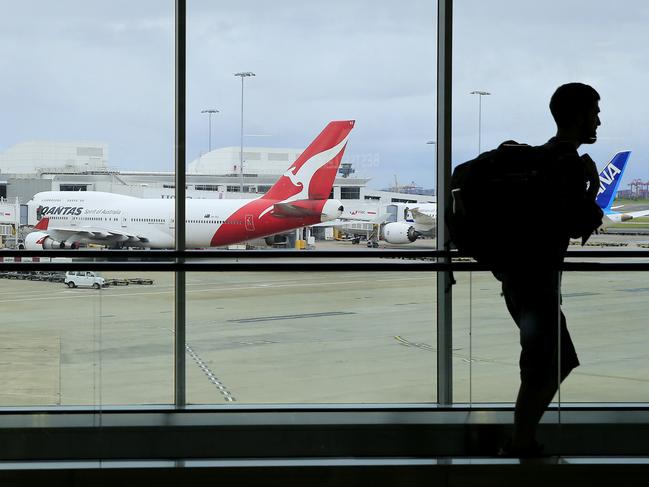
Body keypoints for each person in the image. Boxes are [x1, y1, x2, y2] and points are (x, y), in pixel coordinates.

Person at [498, 83, 603, 456]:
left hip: (519, 279)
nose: (599, 121)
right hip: (535, 283)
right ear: (578, 116)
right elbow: (578, 224)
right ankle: (519, 444)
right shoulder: (565, 164)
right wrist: (591, 186)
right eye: (595, 112)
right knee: (546, 367)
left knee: (546, 364)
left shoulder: (541, 158)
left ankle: (521, 441)